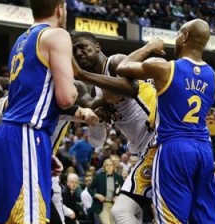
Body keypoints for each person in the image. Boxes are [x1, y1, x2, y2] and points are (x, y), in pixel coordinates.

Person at [117, 19, 215, 223]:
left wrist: (149, 47)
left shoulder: (164, 67)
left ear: (184, 37)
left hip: (174, 148)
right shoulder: (214, 77)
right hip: (204, 150)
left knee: (171, 218)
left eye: (178, 35)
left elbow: (122, 67)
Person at [0, 0, 81, 222]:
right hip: (26, 136)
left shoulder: (21, 40)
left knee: (13, 217)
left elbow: (24, 100)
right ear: (60, 8)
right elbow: (66, 97)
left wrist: (45, 152)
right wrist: (76, 90)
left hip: (9, 136)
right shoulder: (57, 35)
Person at [72, 32, 159, 224]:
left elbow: (130, 88)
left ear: (97, 46)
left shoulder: (115, 62)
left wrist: (98, 102)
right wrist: (96, 119)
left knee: (121, 212)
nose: (78, 52)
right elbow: (97, 142)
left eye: (82, 46)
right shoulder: (96, 90)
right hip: (145, 151)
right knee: (130, 213)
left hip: (158, 140)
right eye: (74, 50)